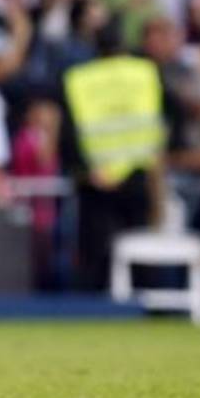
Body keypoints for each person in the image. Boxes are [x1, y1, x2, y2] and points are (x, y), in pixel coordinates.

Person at [62, 21, 167, 290]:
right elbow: (164, 122)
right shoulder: (145, 72)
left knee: (95, 256)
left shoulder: (79, 79)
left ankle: (95, 306)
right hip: (137, 174)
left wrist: (85, 170)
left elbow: (69, 133)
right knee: (142, 256)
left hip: (97, 178)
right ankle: (146, 304)